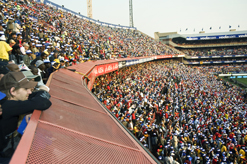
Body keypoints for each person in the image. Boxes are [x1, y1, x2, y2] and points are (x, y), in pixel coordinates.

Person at [0, 72, 52, 159]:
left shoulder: (10, 101)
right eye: (25, 89)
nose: (30, 91)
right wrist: (43, 90)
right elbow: (44, 102)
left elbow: (38, 97)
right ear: (12, 91)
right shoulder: (7, 106)